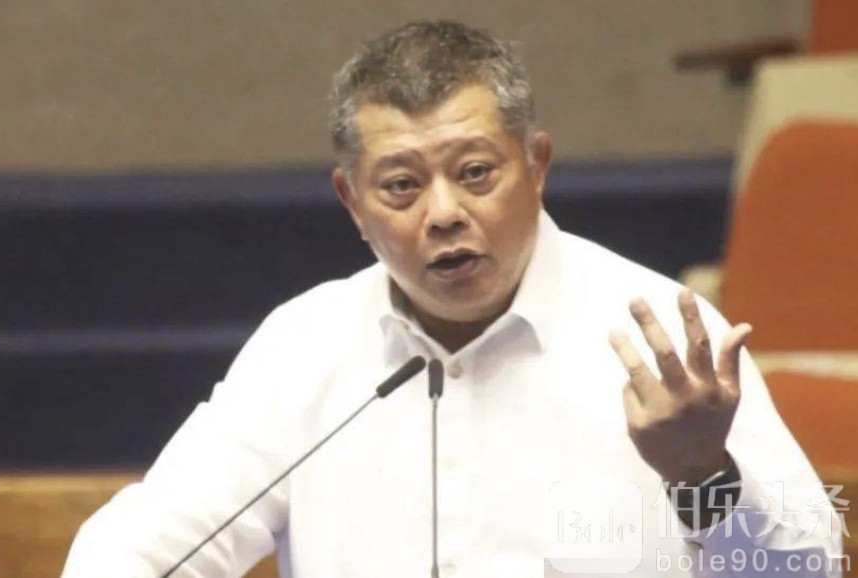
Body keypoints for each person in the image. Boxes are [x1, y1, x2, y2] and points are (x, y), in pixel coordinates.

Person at [62, 21, 843, 577]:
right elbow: (152, 541)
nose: (443, 213)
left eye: (475, 173)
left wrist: (703, 473)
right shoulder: (306, 346)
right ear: (352, 202)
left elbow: (805, 570)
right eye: (401, 186)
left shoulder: (662, 339)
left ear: (537, 165)